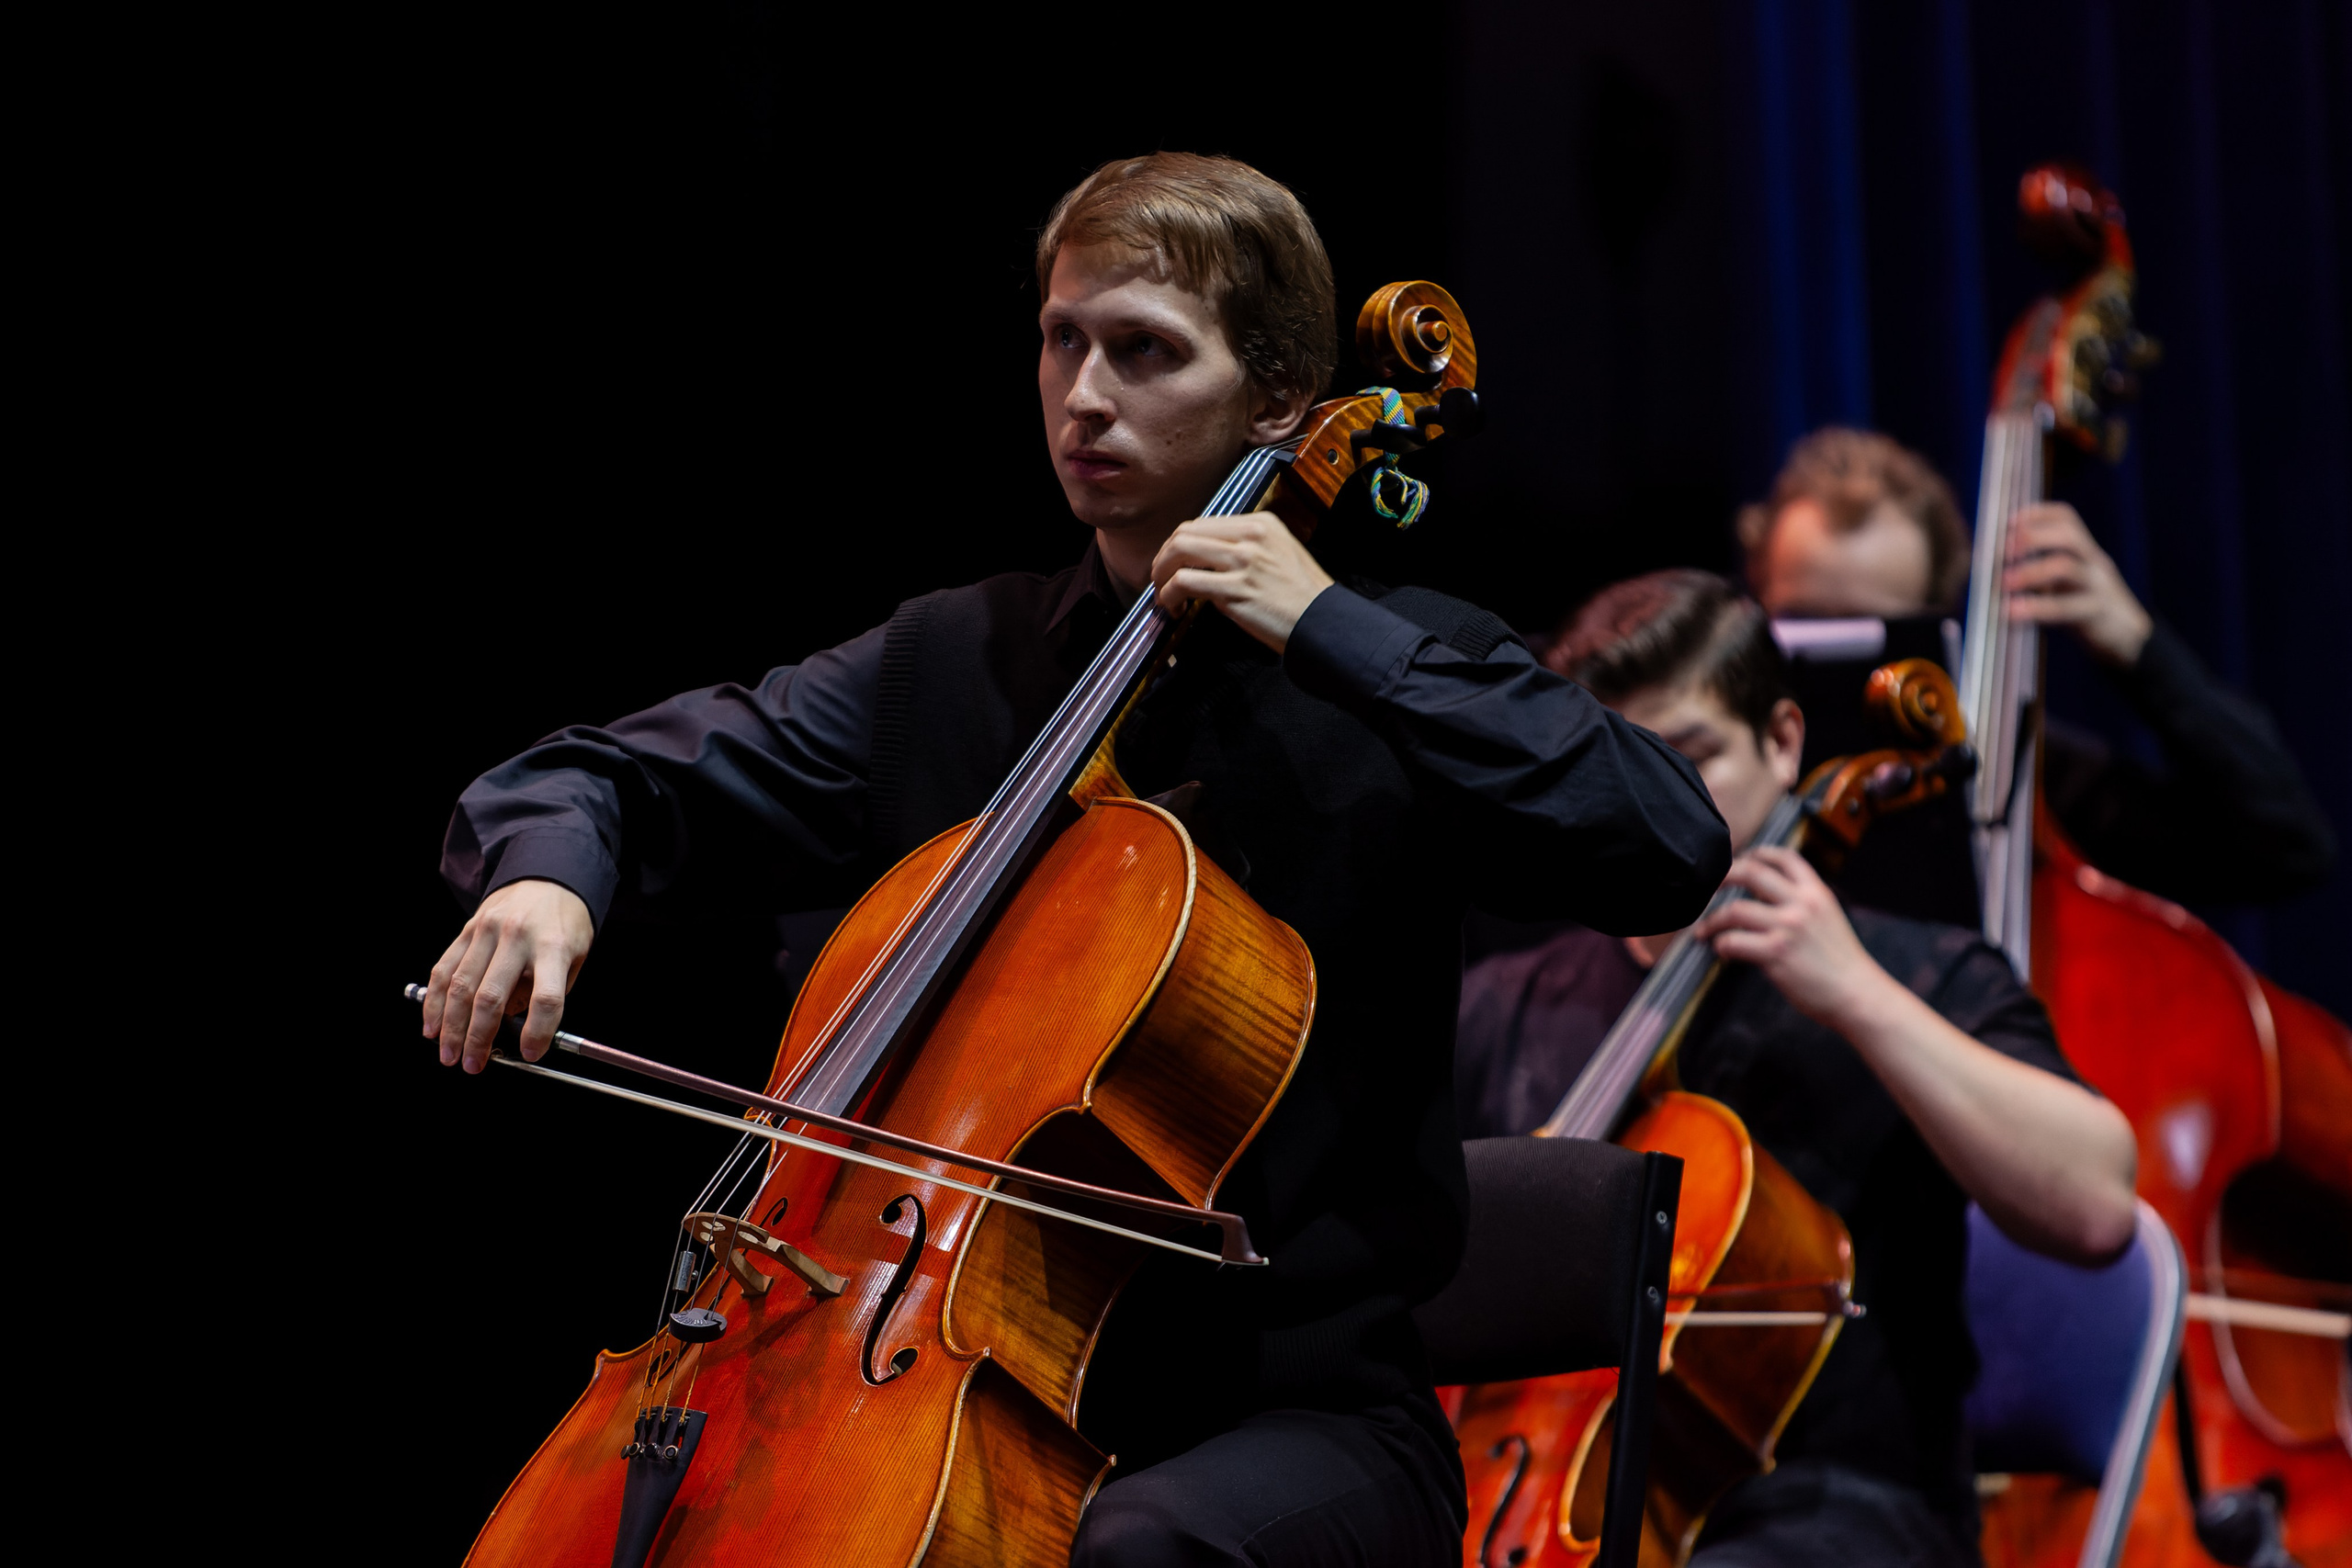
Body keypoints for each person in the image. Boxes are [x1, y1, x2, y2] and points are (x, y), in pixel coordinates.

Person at [418, 153, 1731, 1567]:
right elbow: (598, 773)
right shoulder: (951, 660)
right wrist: (543, 872)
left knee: (1137, 1550)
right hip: (909, 1358)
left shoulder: (1411, 671)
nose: (1084, 394)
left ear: (1280, 399)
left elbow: (1664, 843)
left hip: (1297, 1415)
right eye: (1063, 340)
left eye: (1145, 351)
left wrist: (1333, 626)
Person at [1456, 569, 2141, 1567]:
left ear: (1783, 742)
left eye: (1685, 760)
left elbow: (2096, 1209)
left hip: (1843, 1506)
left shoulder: (1922, 971)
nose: (1640, 804)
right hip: (1534, 1488)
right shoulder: (1503, 1001)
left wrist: (1856, 995)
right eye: (1604, 766)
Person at [1737, 426, 2335, 908]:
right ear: (1758, 602)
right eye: (1805, 624)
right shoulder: (1710, 780)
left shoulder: (2014, 786)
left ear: (1941, 622)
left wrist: (2140, 647)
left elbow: (2284, 845)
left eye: (1881, 633)